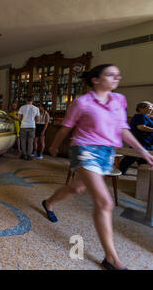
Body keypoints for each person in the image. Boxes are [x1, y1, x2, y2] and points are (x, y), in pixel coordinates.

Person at [42, 64, 153, 270]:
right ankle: (111, 258)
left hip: (107, 153)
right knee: (105, 202)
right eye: (110, 75)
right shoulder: (82, 102)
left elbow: (123, 129)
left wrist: (142, 151)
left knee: (76, 187)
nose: (116, 78)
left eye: (118, 75)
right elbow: (66, 127)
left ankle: (48, 202)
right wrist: (54, 145)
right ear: (96, 79)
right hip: (84, 150)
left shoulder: (119, 100)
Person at [118, 101, 153, 174]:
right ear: (140, 108)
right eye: (149, 108)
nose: (151, 110)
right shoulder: (141, 116)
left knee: (141, 159)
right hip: (141, 141)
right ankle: (120, 171)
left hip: (144, 142)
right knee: (132, 157)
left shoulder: (143, 116)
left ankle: (144, 174)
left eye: (151, 108)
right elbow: (140, 127)